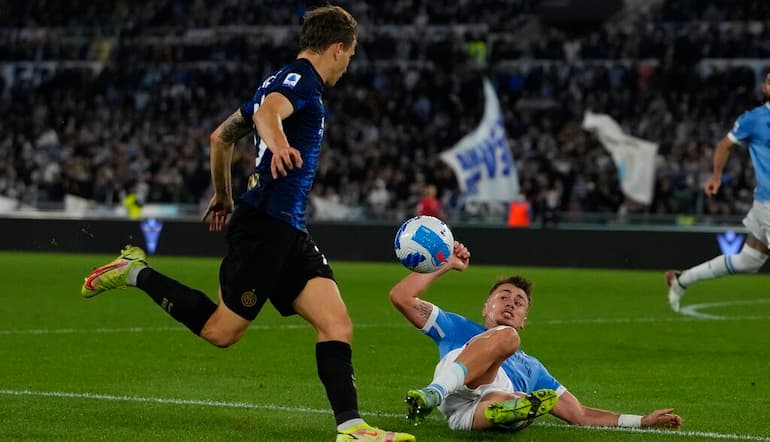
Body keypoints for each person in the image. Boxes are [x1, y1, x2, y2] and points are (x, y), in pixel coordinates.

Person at [80, 6, 414, 442]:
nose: (348, 65)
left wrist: (223, 194)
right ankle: (134, 271)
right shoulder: (300, 81)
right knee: (223, 331)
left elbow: (221, 137)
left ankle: (351, 428)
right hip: (265, 227)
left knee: (337, 324)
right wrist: (277, 145)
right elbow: (267, 115)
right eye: (350, 56)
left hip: (286, 227)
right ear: (337, 48)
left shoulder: (279, 79)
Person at [390, 241, 683, 432]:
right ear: (485, 307)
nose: (510, 304)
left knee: (510, 400)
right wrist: (448, 263)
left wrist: (642, 421)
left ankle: (507, 409)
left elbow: (579, 414)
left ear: (525, 319)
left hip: (469, 416)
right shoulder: (456, 327)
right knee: (506, 339)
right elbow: (401, 296)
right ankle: (436, 392)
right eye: (503, 297)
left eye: (519, 303)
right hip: (456, 386)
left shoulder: (533, 368)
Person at [666, 70, 770, 312]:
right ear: (765, 89)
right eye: (769, 82)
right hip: (768, 203)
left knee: (748, 261)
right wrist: (716, 176)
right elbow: (725, 145)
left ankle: (681, 280)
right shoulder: (754, 120)